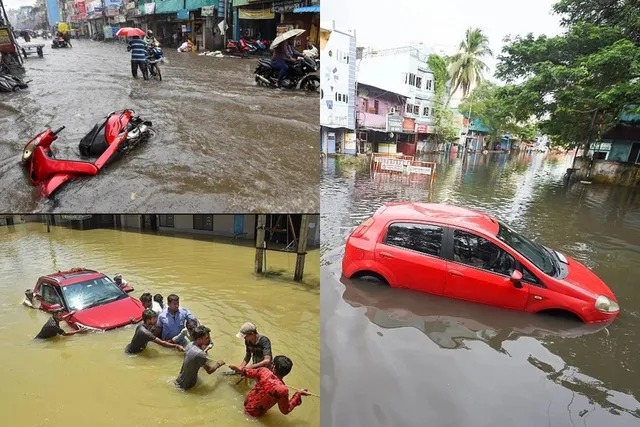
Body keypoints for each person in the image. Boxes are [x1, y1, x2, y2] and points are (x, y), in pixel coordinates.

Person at [229, 355, 310, 417]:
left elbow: (248, 372)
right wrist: (298, 394)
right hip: (255, 414)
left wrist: (237, 368)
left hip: (246, 404)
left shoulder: (264, 371)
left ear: (273, 367)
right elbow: (285, 410)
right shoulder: (283, 389)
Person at [175, 326, 225, 390]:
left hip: (179, 380)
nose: (209, 339)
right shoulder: (200, 354)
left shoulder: (190, 344)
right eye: (207, 338)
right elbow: (209, 371)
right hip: (187, 386)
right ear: (199, 339)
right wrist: (218, 364)